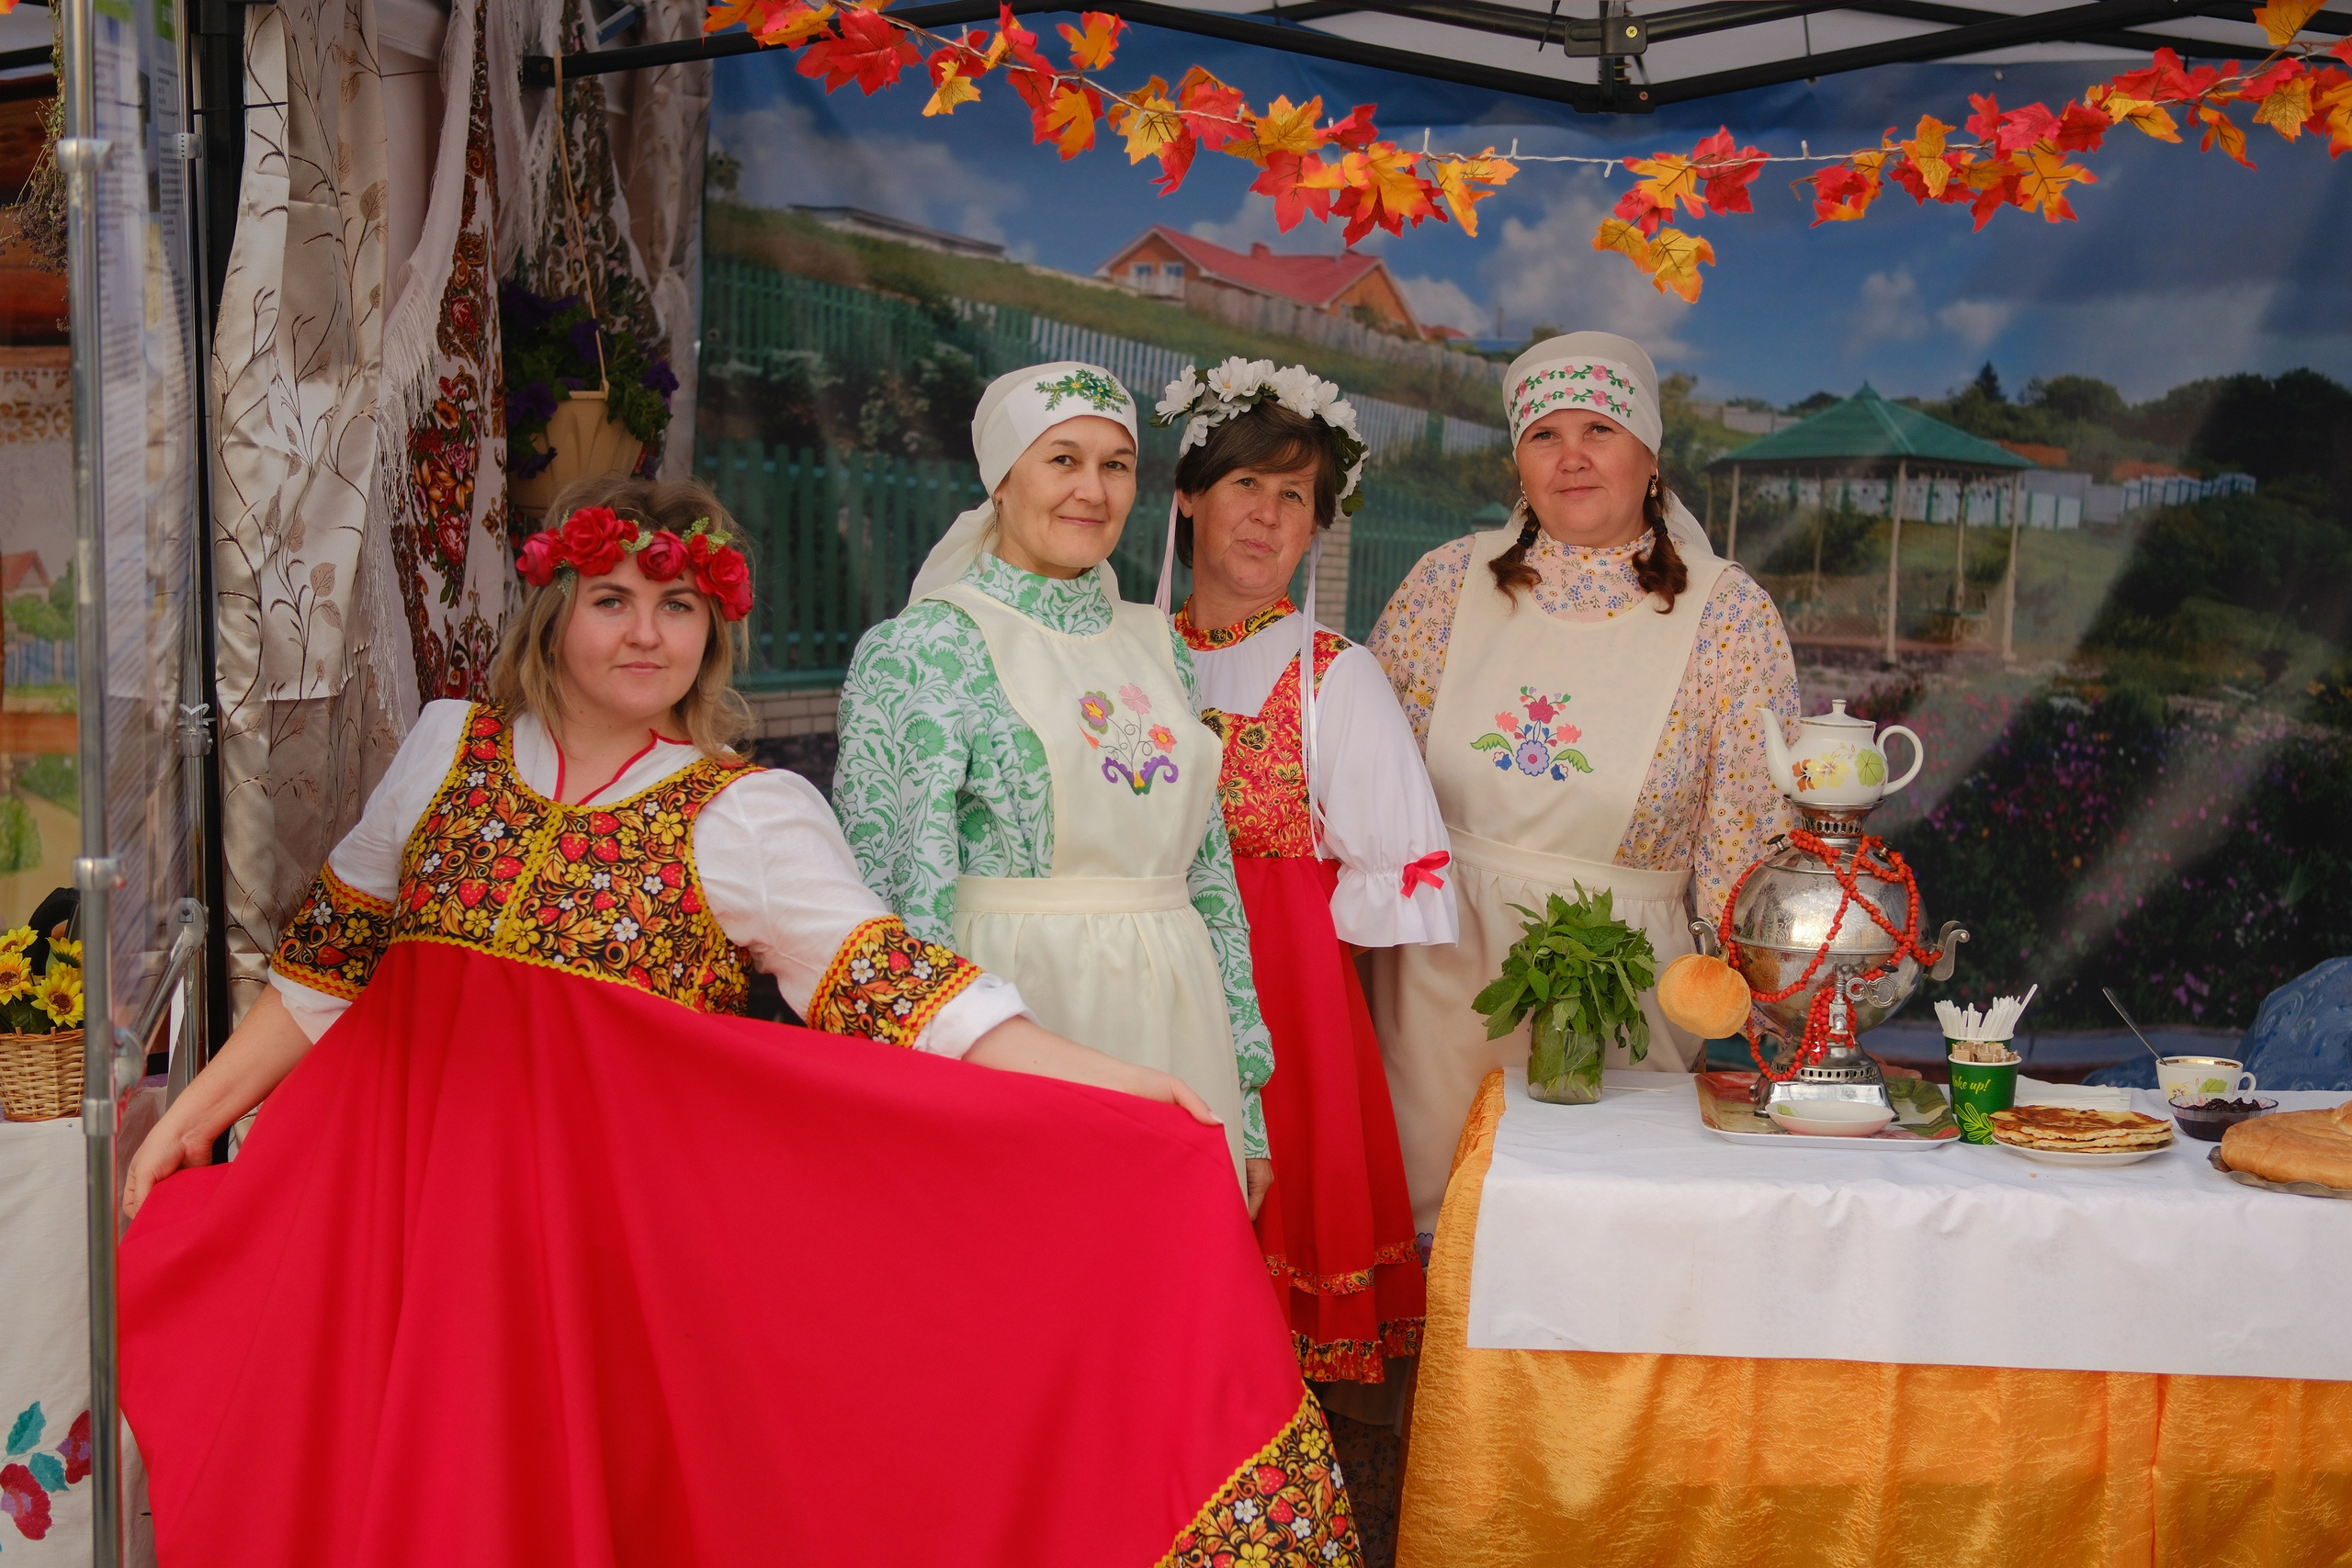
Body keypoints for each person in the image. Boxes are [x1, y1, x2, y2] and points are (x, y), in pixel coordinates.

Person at [118, 479, 1361, 1567]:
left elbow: (897, 987)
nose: (644, 632)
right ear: (555, 612)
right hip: (398, 1212)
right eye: (610, 598)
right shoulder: (446, 750)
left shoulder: (748, 815)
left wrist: (1110, 1084)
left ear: (711, 632)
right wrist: (197, 1112)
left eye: (677, 607)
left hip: (594, 1256)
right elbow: (328, 965)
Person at [1367, 332, 1802, 1238]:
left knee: (1587, 1249)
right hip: (1434, 980)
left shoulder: (1727, 614)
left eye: (1599, 430)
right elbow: (1366, 785)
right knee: (1433, 1242)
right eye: (1544, 435)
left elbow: (1747, 839)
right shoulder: (1445, 583)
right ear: (1515, 462)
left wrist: (1770, 1015)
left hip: (1625, 991)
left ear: (1648, 458)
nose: (1572, 458)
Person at [834, 362, 1277, 1212]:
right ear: (1002, 480)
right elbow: (894, 902)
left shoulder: (1158, 645)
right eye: (1063, 460)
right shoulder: (928, 646)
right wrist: (916, 1098)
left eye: (1116, 464)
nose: (1093, 489)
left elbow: (1210, 878)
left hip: (1184, 1020)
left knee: (1167, 1301)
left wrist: (1247, 1105)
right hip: (1023, 1021)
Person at [1156, 359, 1453, 1391]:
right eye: (1246, 483)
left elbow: (1389, 884)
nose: (1267, 515)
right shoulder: (1126, 653)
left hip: (1281, 1019)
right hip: (1136, 985)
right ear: (1188, 494)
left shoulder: (1336, 678)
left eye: (1295, 496)